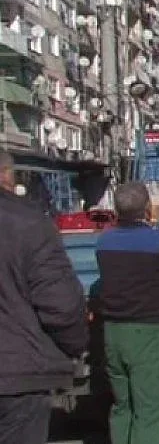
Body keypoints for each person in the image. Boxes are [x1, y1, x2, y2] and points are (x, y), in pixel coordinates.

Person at [96, 182, 159, 444]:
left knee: (123, 405)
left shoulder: (104, 242)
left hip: (113, 334)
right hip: (148, 333)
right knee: (151, 408)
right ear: (148, 208)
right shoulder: (158, 242)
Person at [0, 149, 89, 444]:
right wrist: (76, 345)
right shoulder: (29, 224)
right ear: (6, 176)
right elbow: (61, 305)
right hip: (15, 380)